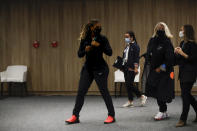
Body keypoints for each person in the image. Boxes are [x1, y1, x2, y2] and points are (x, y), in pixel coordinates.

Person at [65, 19, 115, 124]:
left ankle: (111, 115)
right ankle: (75, 116)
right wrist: (85, 50)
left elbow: (110, 52)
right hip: (88, 69)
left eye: (100, 27)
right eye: (97, 26)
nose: (99, 28)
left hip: (101, 68)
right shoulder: (85, 39)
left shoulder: (102, 39)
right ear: (91, 28)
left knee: (104, 92)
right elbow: (79, 54)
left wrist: (99, 45)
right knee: (81, 92)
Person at [145, 22, 175, 120]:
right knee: (156, 91)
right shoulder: (152, 40)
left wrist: (160, 68)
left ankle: (162, 111)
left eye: (161, 28)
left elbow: (170, 59)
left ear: (165, 30)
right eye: (157, 28)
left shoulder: (167, 42)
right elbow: (150, 52)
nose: (159, 30)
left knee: (161, 92)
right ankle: (164, 111)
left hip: (164, 71)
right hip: (154, 70)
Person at [175, 25, 197, 127]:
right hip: (183, 72)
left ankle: (183, 119)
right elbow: (180, 59)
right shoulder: (182, 43)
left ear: (186, 32)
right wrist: (177, 53)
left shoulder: (193, 44)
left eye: (181, 30)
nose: (180, 32)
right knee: (187, 94)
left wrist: (182, 53)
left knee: (185, 96)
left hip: (190, 72)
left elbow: (193, 59)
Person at [122, 31, 147, 108]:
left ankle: (142, 96)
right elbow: (124, 58)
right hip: (125, 68)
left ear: (132, 37)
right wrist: (122, 67)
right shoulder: (127, 46)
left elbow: (136, 58)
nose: (126, 38)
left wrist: (136, 68)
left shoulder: (135, 46)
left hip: (132, 68)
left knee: (130, 84)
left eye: (127, 37)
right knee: (128, 85)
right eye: (125, 37)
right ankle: (130, 101)